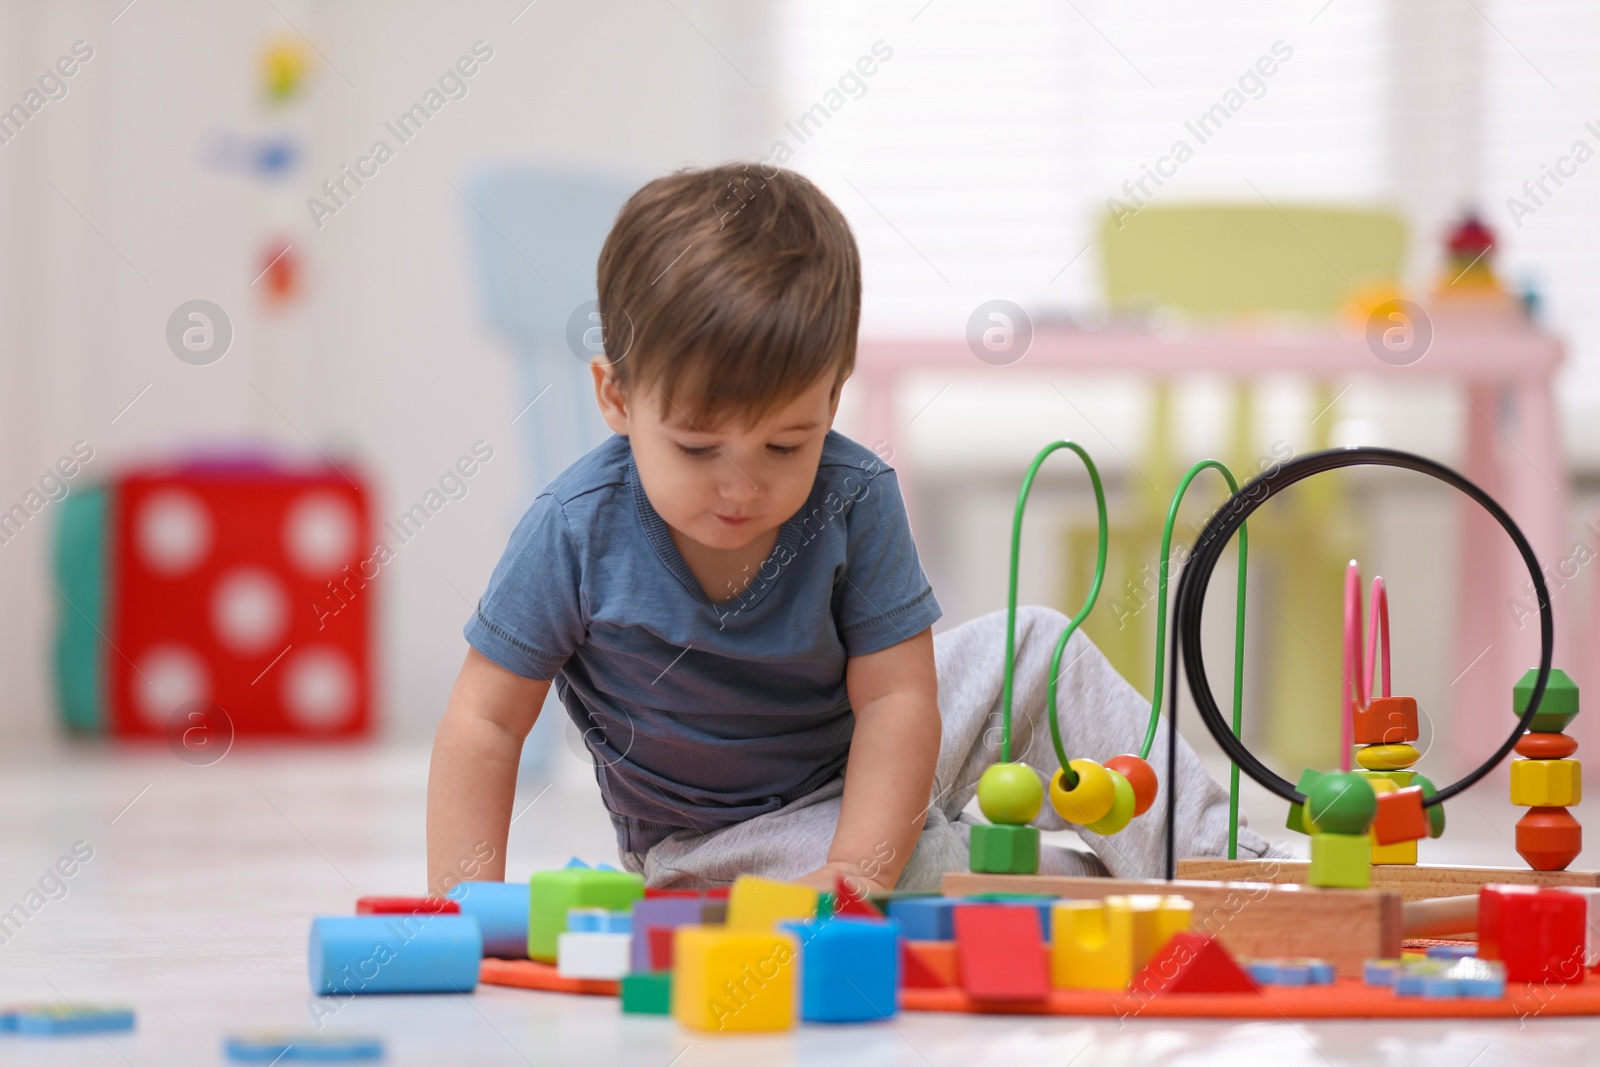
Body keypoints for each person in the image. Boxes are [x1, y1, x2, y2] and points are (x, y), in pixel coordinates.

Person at [426, 162, 1281, 895]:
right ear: (615, 398)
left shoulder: (853, 493)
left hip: (873, 752)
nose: (740, 483)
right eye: (695, 446)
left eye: (784, 443)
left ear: (831, 399)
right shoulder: (571, 531)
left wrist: (864, 858)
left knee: (1037, 649)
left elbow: (900, 698)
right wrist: (467, 906)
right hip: (726, 841)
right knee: (922, 868)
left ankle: (1216, 860)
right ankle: (1080, 886)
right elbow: (486, 723)